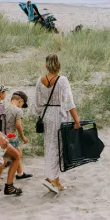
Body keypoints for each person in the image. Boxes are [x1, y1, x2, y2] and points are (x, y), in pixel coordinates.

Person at [35, 54, 80, 194]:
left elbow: (36, 103)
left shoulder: (40, 80)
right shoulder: (63, 80)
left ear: (46, 65)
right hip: (59, 115)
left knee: (49, 146)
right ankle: (53, 180)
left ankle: (52, 179)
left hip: (47, 116)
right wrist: (76, 120)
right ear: (58, 64)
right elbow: (69, 103)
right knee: (59, 146)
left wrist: (40, 115)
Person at [0, 91, 32, 188]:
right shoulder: (18, 110)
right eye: (22, 104)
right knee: (4, 161)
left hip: (2, 136)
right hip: (11, 138)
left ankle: (20, 174)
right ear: (20, 101)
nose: (21, 106)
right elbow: (18, 125)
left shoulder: (3, 107)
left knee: (18, 151)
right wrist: (23, 137)